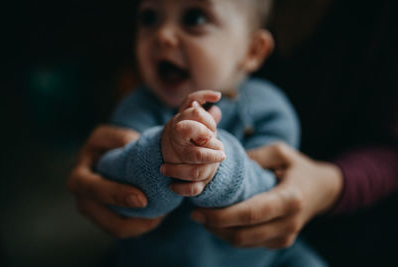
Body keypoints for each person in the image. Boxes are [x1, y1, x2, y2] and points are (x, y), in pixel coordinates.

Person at [69, 0, 328, 266]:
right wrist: (161, 149)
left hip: (260, 259)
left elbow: (271, 191)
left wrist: (216, 165)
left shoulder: (269, 108)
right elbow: (121, 189)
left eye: (195, 18)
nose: (163, 35)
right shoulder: (139, 106)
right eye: (149, 18)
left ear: (252, 51)